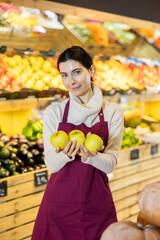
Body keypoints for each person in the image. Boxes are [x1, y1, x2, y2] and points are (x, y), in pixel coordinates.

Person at [31, 46, 124, 240]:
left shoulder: (112, 112)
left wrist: (92, 157)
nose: (71, 81)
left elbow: (111, 163)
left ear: (91, 71)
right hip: (58, 205)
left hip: (97, 205)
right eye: (64, 75)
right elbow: (51, 164)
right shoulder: (54, 113)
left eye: (77, 72)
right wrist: (66, 154)